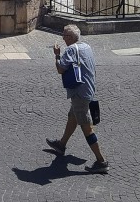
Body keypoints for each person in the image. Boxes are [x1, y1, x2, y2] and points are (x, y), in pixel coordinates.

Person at [46, 24, 109, 173]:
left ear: (71, 38)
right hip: (88, 89)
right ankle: (61, 145)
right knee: (72, 116)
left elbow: (61, 69)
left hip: (79, 93)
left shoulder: (70, 50)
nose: (62, 37)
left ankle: (101, 161)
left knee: (86, 127)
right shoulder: (86, 46)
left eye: (65, 35)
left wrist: (56, 54)